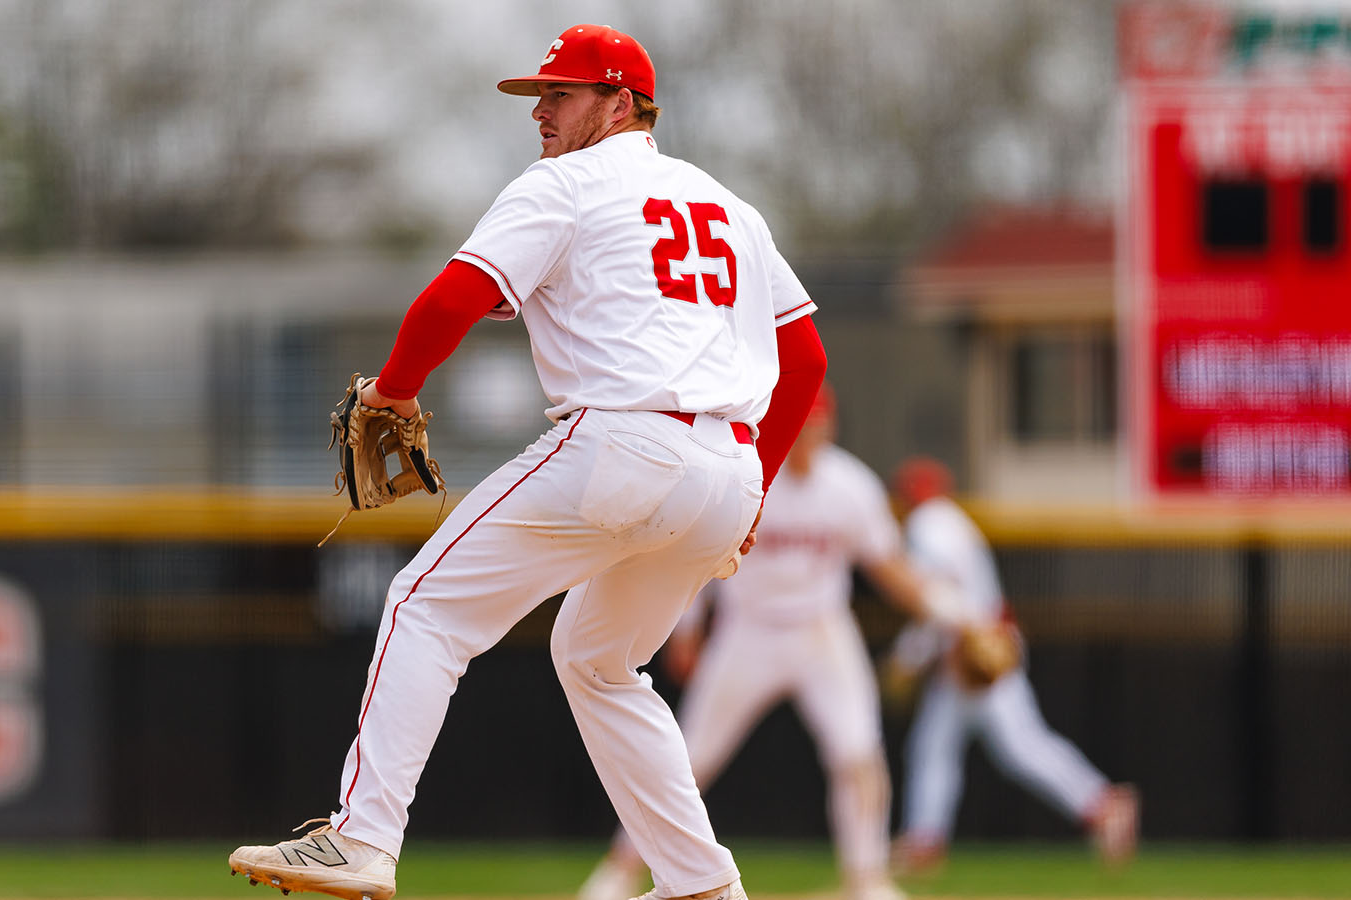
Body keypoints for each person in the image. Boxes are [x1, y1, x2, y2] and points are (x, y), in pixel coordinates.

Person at [228, 24, 830, 900]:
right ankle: (704, 887)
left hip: (624, 444)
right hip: (730, 472)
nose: (542, 111)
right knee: (598, 660)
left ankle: (362, 839)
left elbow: (456, 296)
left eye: (563, 93)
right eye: (538, 95)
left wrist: (393, 392)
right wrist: (759, 495)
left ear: (621, 103)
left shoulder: (568, 184)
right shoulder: (733, 208)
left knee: (424, 606)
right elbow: (805, 358)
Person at [578, 387, 968, 900]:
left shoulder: (848, 484)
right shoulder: (749, 474)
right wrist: (689, 627)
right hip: (749, 631)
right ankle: (622, 867)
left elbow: (891, 567)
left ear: (831, 428)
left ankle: (868, 878)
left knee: (857, 752)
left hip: (822, 631)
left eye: (819, 425)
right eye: (803, 425)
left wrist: (960, 615)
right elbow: (697, 553)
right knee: (688, 759)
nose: (811, 435)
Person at [882, 457, 1139, 876]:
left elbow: (937, 598)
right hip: (977, 646)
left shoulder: (928, 525)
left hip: (977, 651)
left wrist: (908, 655)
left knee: (1016, 747)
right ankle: (925, 841)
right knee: (938, 747)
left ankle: (1104, 804)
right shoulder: (954, 520)